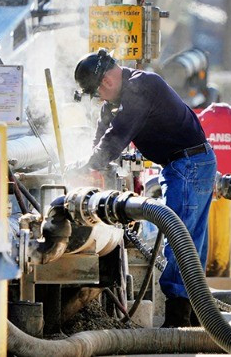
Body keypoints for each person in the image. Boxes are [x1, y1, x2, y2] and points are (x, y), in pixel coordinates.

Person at [74, 49, 217, 327]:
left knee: (181, 238)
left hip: (189, 164)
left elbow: (116, 136)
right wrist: (88, 163)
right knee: (189, 238)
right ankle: (196, 314)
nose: (100, 99)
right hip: (183, 165)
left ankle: (179, 317)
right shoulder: (117, 100)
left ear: (105, 83)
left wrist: (88, 165)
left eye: (97, 93)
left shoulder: (142, 86)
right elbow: (103, 134)